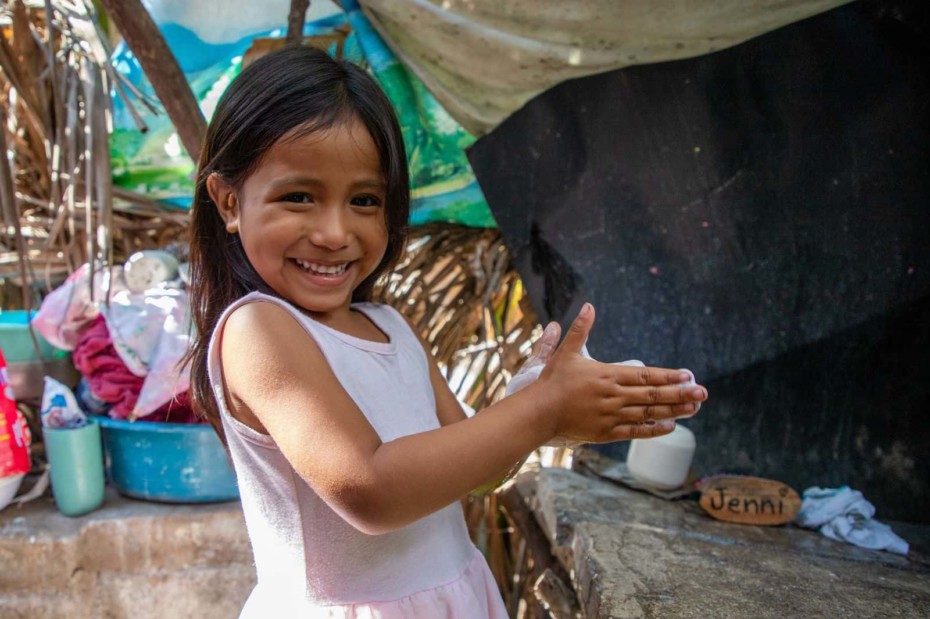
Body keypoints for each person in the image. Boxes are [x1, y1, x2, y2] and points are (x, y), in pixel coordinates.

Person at [186, 45, 707, 618]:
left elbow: (472, 476)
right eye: (299, 197)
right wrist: (541, 414)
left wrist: (529, 405)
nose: (334, 232)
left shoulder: (390, 327)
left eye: (364, 200)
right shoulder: (258, 330)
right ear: (229, 202)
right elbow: (371, 490)